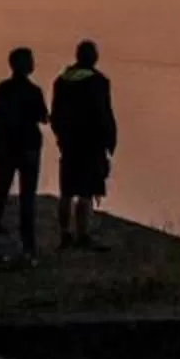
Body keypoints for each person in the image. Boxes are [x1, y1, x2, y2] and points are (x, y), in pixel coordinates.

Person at [0, 46, 48, 259]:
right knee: (27, 199)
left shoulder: (3, 90)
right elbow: (43, 116)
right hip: (28, 149)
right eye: (31, 60)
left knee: (0, 195)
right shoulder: (34, 92)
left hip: (5, 150)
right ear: (27, 66)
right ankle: (28, 246)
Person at [50, 39, 118, 249]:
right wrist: (110, 141)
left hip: (69, 144)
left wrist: (61, 137)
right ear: (94, 58)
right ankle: (83, 235)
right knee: (86, 192)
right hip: (91, 144)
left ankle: (65, 234)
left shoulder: (61, 81)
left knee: (67, 191)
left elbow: (56, 116)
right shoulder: (98, 82)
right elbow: (104, 114)